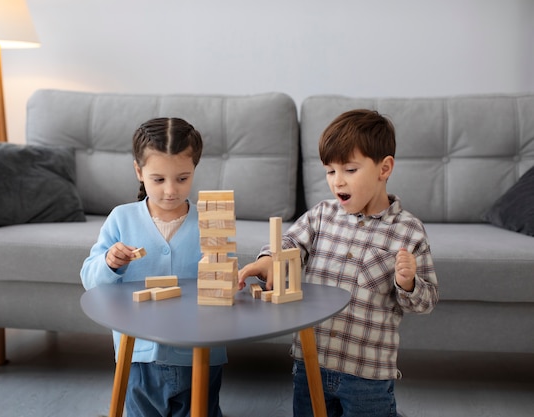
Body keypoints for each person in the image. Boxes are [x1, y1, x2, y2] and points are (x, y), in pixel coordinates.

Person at [238, 109, 439, 417]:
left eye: (349, 169)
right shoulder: (322, 214)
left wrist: (408, 283)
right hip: (309, 363)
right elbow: (289, 243)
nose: (337, 181)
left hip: (367, 374)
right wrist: (268, 259)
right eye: (330, 171)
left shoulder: (408, 230)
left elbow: (425, 303)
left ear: (384, 168)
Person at [81, 117, 226, 417]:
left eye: (183, 178)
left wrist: (220, 272)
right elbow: (90, 279)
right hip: (139, 356)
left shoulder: (211, 221)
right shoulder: (122, 219)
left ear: (195, 171)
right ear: (139, 171)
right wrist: (109, 263)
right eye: (158, 179)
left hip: (199, 355)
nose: (171, 190)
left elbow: (225, 281)